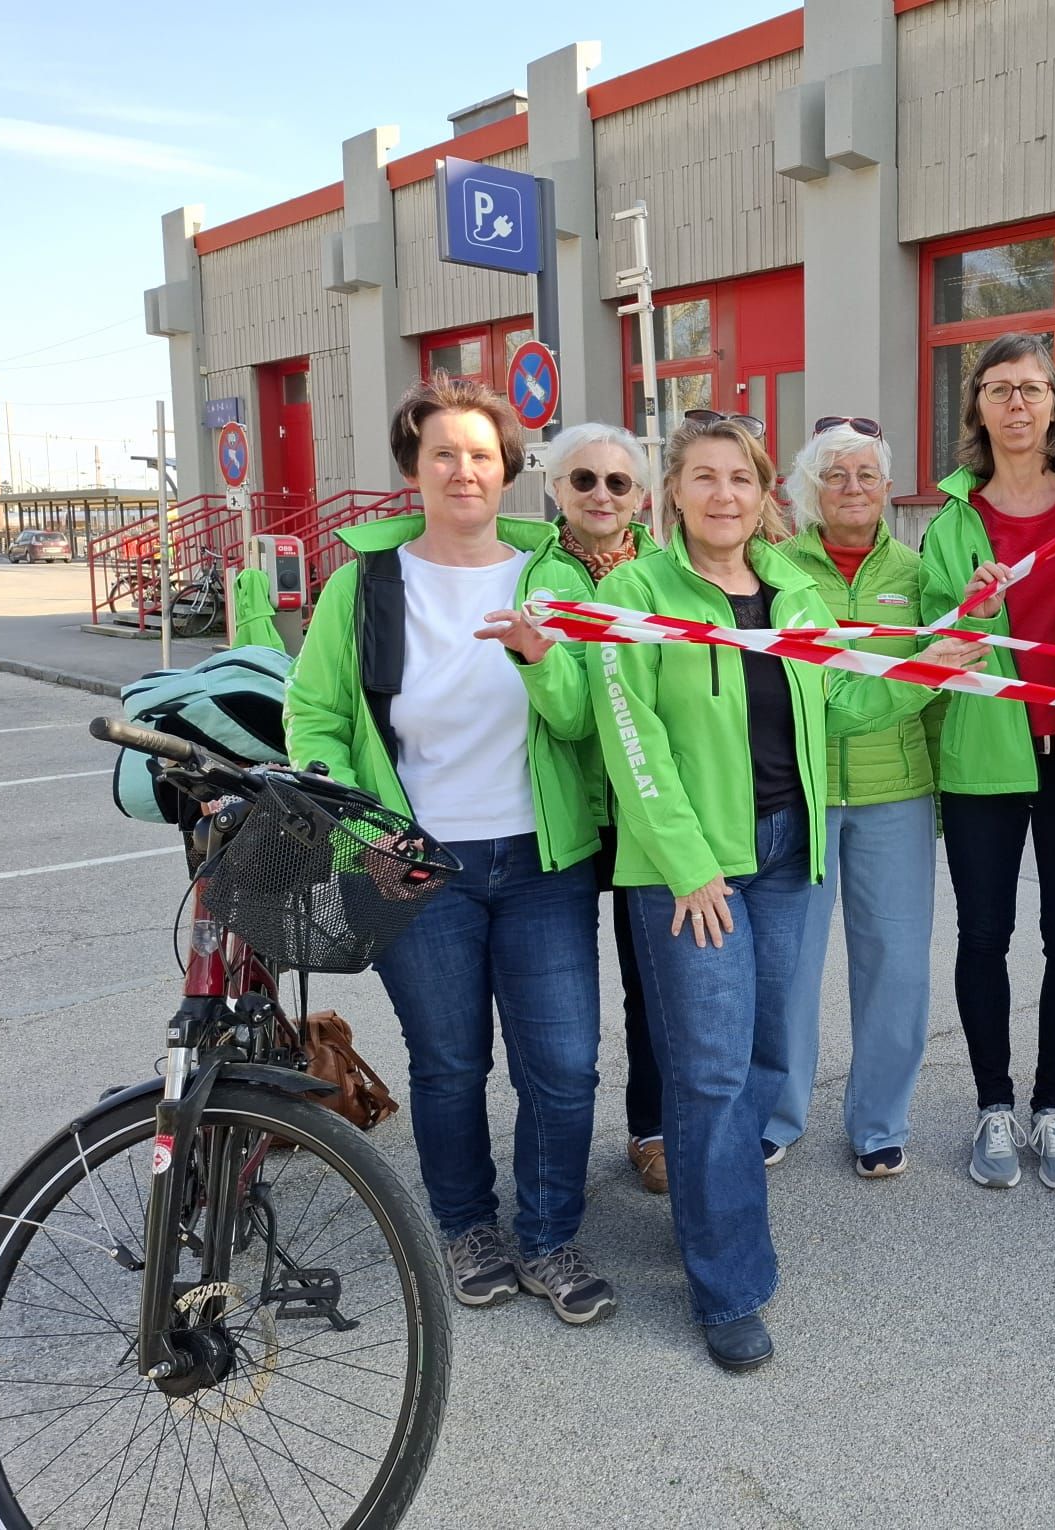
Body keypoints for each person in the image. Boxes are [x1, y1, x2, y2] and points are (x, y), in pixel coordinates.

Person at [590, 414, 982, 1371]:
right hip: (698, 868)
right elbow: (629, 740)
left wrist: (923, 672)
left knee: (757, 1054)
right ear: (673, 492)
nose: (725, 495)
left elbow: (841, 702)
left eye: (741, 479)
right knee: (714, 1066)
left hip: (785, 851)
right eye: (704, 477)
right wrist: (687, 865)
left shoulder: (795, 593)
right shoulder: (636, 593)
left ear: (766, 495)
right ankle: (727, 1283)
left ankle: (709, 1214)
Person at [284, 374, 616, 1324]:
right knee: (449, 1064)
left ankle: (551, 1236)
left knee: (563, 1062)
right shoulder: (366, 583)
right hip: (413, 861)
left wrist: (542, 658)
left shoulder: (551, 576)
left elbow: (586, 718)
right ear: (412, 469)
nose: (464, 471)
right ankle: (467, 1224)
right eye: (443, 453)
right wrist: (355, 824)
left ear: (508, 467)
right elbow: (315, 713)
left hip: (541, 858)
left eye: (481, 454)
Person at [919, 333, 1055, 1192]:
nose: (1017, 404)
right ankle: (994, 1107)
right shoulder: (952, 518)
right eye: (999, 390)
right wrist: (963, 610)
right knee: (983, 936)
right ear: (978, 410)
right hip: (984, 755)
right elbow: (929, 642)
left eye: (1032, 388)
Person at [769, 417, 943, 1177]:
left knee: (897, 967)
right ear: (811, 487)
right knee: (788, 965)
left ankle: (879, 1122)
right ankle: (777, 1114)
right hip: (799, 793)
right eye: (835, 475)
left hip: (896, 792)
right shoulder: (775, 568)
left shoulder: (915, 570)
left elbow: (946, 680)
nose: (852, 489)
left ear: (886, 485)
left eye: (867, 474)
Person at [537, 422, 669, 1196]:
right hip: (565, 808)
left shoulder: (666, 572)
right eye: (582, 480)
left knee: (653, 983)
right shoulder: (531, 576)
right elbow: (569, 715)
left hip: (648, 808)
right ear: (555, 489)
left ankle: (650, 1130)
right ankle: (557, 1151)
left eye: (617, 483)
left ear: (642, 498)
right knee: (562, 996)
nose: (600, 495)